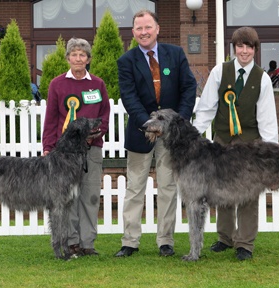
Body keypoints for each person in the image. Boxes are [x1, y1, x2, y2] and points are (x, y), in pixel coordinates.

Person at [114, 9, 197, 258]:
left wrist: (174, 123)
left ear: (157, 29)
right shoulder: (126, 61)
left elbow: (189, 87)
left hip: (172, 137)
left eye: (148, 27)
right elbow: (129, 98)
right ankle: (130, 242)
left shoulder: (176, 53)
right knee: (135, 189)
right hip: (142, 133)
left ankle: (165, 242)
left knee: (169, 188)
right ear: (133, 32)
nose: (144, 32)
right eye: (139, 28)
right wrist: (151, 125)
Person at [192, 26, 278, 261]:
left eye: (249, 46)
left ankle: (245, 244)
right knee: (222, 191)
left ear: (255, 50)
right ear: (234, 48)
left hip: (251, 146)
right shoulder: (220, 72)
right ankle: (224, 238)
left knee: (249, 194)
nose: (244, 51)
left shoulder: (263, 79)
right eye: (240, 46)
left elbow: (267, 119)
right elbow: (207, 108)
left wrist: (271, 154)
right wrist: (192, 135)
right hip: (222, 142)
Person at [42, 37, 110, 256]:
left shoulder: (97, 84)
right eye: (74, 54)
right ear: (68, 58)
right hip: (64, 153)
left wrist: (96, 134)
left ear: (88, 59)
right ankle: (71, 242)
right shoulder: (57, 84)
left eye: (82, 55)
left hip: (92, 148)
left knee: (90, 195)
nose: (78, 58)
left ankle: (87, 243)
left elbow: (104, 115)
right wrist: (47, 147)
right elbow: (51, 118)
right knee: (67, 197)